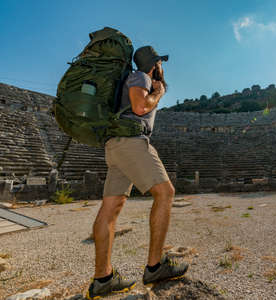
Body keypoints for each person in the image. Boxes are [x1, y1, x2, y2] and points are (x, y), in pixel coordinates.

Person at [86, 46, 188, 300]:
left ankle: (103, 279)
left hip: (116, 145)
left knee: (111, 208)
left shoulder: (131, 78)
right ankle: (155, 266)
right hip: (131, 141)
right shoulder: (141, 77)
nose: (162, 68)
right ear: (155, 64)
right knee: (165, 193)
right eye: (160, 63)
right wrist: (159, 92)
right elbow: (141, 107)